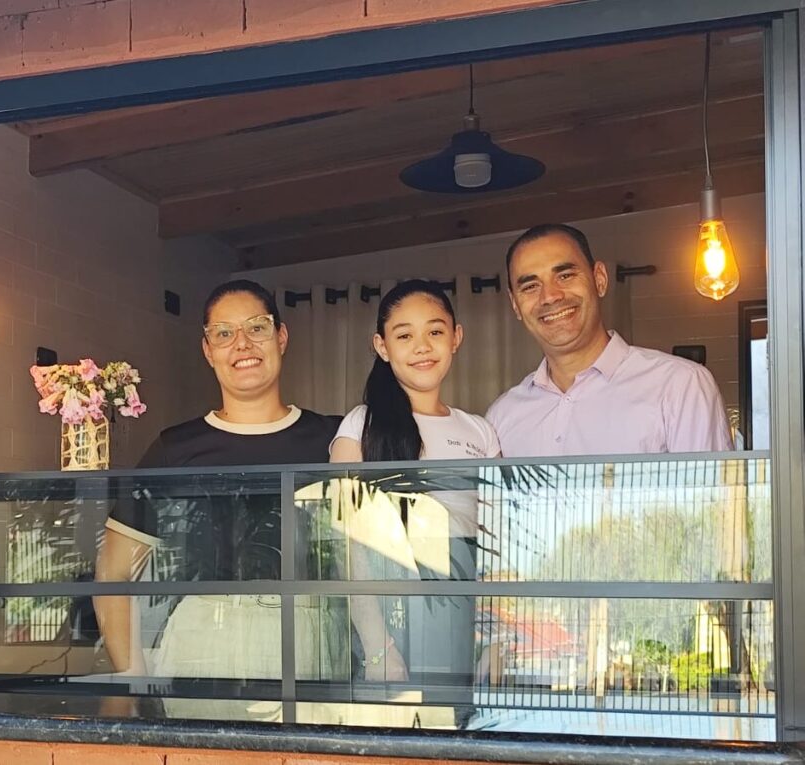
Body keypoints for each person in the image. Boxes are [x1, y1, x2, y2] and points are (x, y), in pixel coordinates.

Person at [93, 279, 340, 700]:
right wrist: (132, 683)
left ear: (281, 337)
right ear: (208, 351)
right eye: (224, 334)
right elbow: (113, 574)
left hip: (312, 641)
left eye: (257, 327)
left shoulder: (334, 439)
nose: (242, 344)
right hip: (203, 643)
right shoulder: (175, 448)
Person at [329, 279, 500, 690]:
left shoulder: (480, 431)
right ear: (382, 346)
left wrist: (494, 639)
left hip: (466, 606)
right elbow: (345, 543)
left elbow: (499, 544)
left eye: (435, 331)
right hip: (390, 613)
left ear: (456, 337)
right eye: (404, 336)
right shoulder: (360, 425)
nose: (422, 347)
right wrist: (378, 646)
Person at [486, 223, 733, 457]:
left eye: (565, 276)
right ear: (515, 305)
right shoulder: (501, 417)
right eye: (530, 287)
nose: (550, 296)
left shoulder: (679, 385)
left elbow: (711, 489)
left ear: (600, 280)